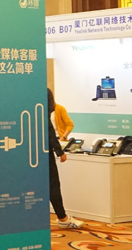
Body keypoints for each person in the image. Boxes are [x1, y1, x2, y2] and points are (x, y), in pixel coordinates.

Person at [48, 89, 84, 229]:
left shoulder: (58, 109)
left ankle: (62, 217)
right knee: (53, 185)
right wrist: (59, 152)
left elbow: (69, 124)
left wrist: (63, 138)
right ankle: (62, 218)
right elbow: (50, 133)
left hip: (42, 150)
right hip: (46, 152)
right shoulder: (42, 111)